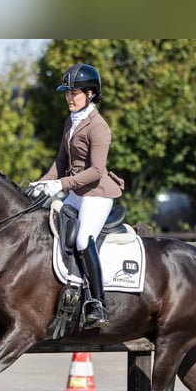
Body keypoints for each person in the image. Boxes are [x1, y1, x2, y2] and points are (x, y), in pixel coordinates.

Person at [26, 63, 123, 329]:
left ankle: (97, 303)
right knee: (48, 227)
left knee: (82, 239)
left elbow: (96, 171)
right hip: (75, 192)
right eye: (67, 93)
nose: (69, 98)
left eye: (74, 93)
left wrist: (60, 184)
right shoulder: (70, 120)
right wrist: (42, 183)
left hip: (96, 194)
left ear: (90, 93)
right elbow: (60, 160)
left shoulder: (99, 127)